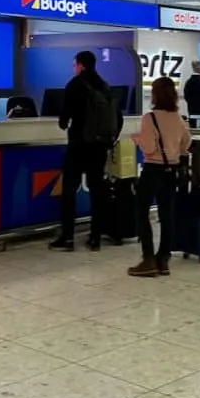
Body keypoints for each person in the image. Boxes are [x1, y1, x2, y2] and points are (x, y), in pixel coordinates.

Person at [52, 51, 119, 252]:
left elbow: (64, 119)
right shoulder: (105, 86)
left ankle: (68, 237)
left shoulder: (74, 85)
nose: (74, 68)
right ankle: (95, 238)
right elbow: (117, 118)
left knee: (69, 191)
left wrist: (66, 122)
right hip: (98, 147)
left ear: (80, 65)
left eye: (75, 65)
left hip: (78, 145)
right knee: (97, 191)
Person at [128, 76, 190, 278]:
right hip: (171, 171)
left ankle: (148, 259)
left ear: (155, 94)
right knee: (167, 215)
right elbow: (186, 144)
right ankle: (163, 258)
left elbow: (149, 147)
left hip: (152, 170)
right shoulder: (178, 118)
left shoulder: (150, 118)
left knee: (141, 212)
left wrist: (137, 140)